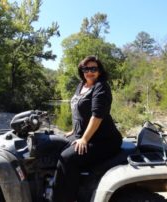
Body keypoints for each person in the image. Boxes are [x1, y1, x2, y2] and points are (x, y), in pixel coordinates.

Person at [51, 55, 122, 202]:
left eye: (93, 69)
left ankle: (65, 198)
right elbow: (78, 109)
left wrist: (84, 139)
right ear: (81, 70)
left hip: (104, 139)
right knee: (53, 145)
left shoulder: (101, 86)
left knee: (67, 158)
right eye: (86, 69)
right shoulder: (81, 85)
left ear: (99, 71)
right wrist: (74, 130)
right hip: (84, 134)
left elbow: (97, 116)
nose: (89, 72)